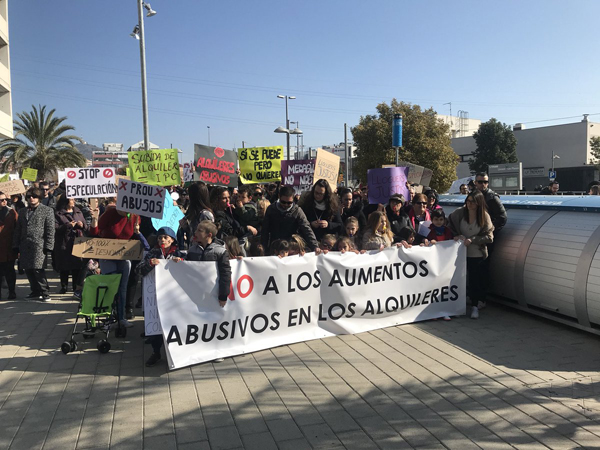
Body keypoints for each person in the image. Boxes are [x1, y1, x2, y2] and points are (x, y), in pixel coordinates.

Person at [137, 226, 184, 367]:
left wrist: (181, 262)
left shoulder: (179, 252)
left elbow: (190, 270)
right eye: (159, 237)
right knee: (157, 325)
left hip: (174, 297)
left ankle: (177, 352)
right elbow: (138, 270)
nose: (162, 240)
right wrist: (150, 264)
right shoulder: (153, 253)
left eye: (165, 237)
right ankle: (156, 352)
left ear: (172, 239)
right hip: (156, 296)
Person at [448, 191, 494, 320]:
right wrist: (456, 235)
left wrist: (473, 239)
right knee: (458, 279)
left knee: (475, 280)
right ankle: (456, 306)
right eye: (467, 201)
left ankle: (475, 306)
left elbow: (489, 236)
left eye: (472, 202)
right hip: (459, 253)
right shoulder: (459, 213)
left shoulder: (484, 217)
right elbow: (448, 225)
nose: (469, 204)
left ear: (478, 203)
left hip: (476, 253)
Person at [97, 204, 141, 327]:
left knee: (122, 288)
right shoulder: (110, 213)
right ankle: (109, 318)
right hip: (107, 256)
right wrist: (95, 219)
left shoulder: (135, 217)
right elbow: (95, 231)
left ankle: (121, 318)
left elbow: (133, 236)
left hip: (124, 256)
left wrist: (138, 232)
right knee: (110, 287)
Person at [12, 188, 55, 302]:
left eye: (34, 196)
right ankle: (35, 291)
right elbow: (18, 229)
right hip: (25, 244)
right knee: (28, 269)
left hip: (39, 244)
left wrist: (49, 246)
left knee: (38, 269)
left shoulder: (47, 210)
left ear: (39, 198)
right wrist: (15, 245)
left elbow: (50, 229)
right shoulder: (22, 211)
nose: (31, 198)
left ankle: (45, 292)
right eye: (29, 196)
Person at [187, 220, 232, 308]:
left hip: (213, 294)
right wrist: (179, 260)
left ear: (209, 235)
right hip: (195, 294)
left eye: (199, 231)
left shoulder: (220, 251)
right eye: (196, 230)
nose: (195, 233)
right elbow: (186, 268)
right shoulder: (192, 250)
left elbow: (225, 274)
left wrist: (223, 295)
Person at [261, 185, 319, 252]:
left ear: (293, 199)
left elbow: (307, 229)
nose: (286, 205)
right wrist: (264, 248)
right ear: (279, 197)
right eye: (283, 202)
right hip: (275, 246)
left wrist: (315, 246)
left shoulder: (297, 211)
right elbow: (265, 230)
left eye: (289, 203)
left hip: (291, 247)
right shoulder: (271, 209)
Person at [53, 195, 88, 294]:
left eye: (73, 199)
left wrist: (82, 225)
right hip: (64, 242)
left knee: (77, 265)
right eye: (71, 199)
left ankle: (75, 287)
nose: (73, 201)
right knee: (64, 266)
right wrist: (68, 225)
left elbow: (85, 226)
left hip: (77, 242)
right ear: (66, 201)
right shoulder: (58, 213)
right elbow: (56, 228)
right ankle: (64, 286)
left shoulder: (78, 211)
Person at [179, 182, 214, 248]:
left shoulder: (205, 214)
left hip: (202, 251)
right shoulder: (193, 212)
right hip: (193, 249)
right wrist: (185, 227)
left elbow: (207, 235)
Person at [0, 191, 17, 300]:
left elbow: (17, 228)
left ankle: (12, 292)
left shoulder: (12, 212)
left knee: (10, 271)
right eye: (1, 200)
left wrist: (17, 246)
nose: (4, 201)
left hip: (9, 247)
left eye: (5, 199)